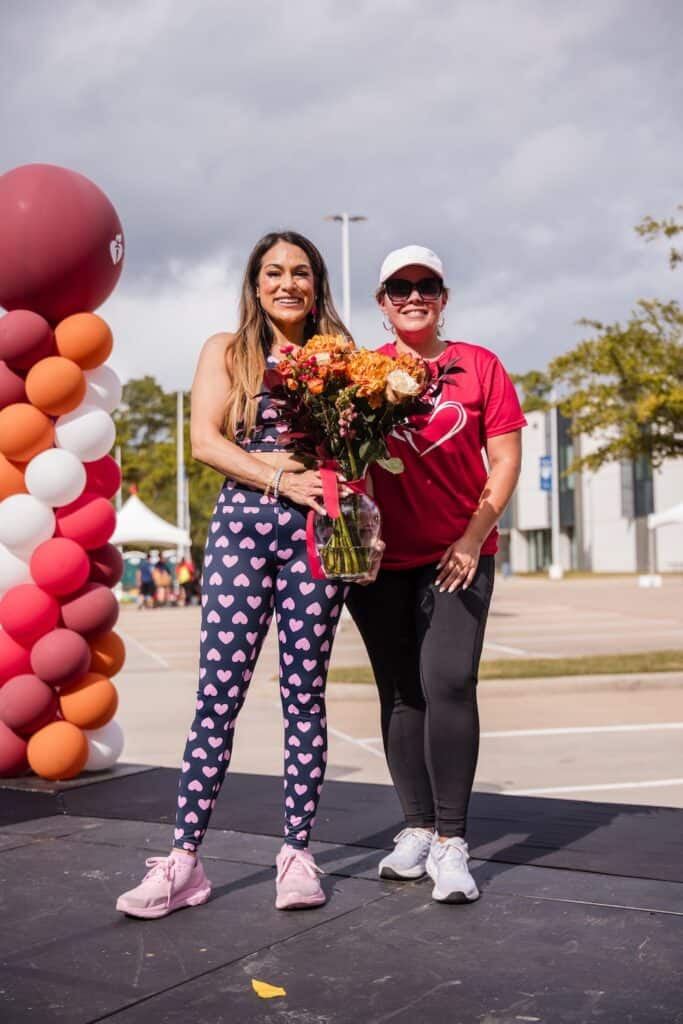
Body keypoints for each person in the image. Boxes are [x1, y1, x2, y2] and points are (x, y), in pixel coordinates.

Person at [117, 231, 350, 918]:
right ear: (254, 284)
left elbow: (355, 448)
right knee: (217, 695)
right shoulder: (226, 350)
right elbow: (207, 442)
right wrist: (284, 479)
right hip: (242, 533)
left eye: (300, 272)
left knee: (303, 694)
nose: (287, 283)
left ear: (316, 284)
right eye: (273, 271)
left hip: (318, 536)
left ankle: (297, 855)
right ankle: (184, 862)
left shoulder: (338, 358)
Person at [346, 245, 526, 904]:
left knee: (447, 681)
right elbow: (344, 462)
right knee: (400, 693)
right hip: (382, 562)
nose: (412, 296)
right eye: (399, 287)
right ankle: (416, 829)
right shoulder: (360, 372)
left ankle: (452, 843)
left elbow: (504, 459)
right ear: (381, 300)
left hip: (458, 554)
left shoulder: (478, 366)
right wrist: (353, 539)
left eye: (426, 286)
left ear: (443, 296)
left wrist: (472, 538)